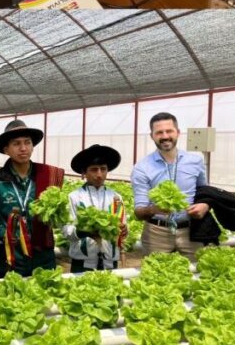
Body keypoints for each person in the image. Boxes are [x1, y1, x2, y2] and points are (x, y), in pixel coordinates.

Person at [0, 119, 65, 277]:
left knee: (45, 297)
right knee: (12, 298)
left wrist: (57, 216)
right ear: (6, 149)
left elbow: (58, 214)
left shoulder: (48, 175)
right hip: (11, 256)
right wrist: (5, 234)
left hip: (43, 255)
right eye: (16, 144)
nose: (23, 148)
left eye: (27, 143)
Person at [132, 112, 208, 259]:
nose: (165, 136)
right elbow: (138, 212)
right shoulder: (142, 167)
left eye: (169, 131)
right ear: (152, 136)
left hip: (192, 231)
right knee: (155, 276)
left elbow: (205, 193)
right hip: (156, 233)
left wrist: (205, 205)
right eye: (159, 132)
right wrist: (155, 209)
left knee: (195, 275)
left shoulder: (195, 161)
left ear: (178, 133)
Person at [63, 145, 127, 272]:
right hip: (82, 263)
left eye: (103, 169)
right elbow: (66, 230)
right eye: (94, 170)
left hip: (109, 262)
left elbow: (123, 225)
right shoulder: (74, 197)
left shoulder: (116, 197)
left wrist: (125, 230)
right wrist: (84, 232)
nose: (99, 174)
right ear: (84, 172)